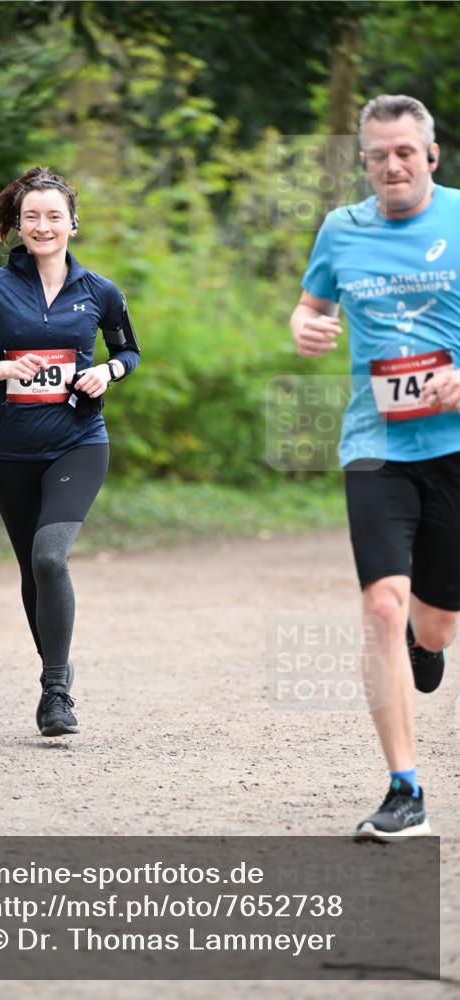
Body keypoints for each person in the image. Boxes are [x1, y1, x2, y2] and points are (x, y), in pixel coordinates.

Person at [290, 95, 460, 841]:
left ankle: (430, 644)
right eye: (375, 155)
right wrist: (304, 324)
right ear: (361, 161)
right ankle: (404, 787)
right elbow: (309, 304)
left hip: (454, 446)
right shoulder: (341, 228)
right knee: (381, 607)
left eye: (403, 153)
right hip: (374, 444)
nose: (389, 166)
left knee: (435, 619)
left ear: (429, 155)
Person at [0, 167, 140, 737]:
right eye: (31, 216)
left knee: (50, 557)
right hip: (12, 449)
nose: (43, 225)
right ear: (17, 225)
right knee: (32, 571)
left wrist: (107, 371)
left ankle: (56, 693)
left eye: (54, 215)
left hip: (79, 441)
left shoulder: (99, 291)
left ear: (72, 224)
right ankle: (57, 666)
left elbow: (129, 352)